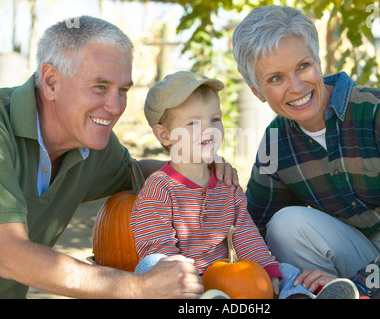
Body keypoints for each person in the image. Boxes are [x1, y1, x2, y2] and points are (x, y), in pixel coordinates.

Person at [0, 16, 237, 299]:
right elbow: (8, 254)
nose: (115, 107)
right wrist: (137, 288)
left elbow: (136, 174)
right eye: (100, 87)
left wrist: (201, 169)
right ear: (51, 82)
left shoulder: (93, 145)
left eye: (122, 90)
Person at [232, 5, 380, 299]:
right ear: (257, 90)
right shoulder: (276, 141)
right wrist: (211, 179)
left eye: (303, 67)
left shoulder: (379, 112)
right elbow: (252, 227)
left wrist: (357, 286)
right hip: (364, 248)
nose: (296, 87)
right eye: (275, 79)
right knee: (285, 225)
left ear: (319, 62)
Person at [130, 71, 362, 299]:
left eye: (215, 119)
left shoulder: (226, 183)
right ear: (164, 135)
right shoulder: (160, 188)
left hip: (228, 273)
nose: (208, 129)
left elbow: (244, 232)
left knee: (286, 270)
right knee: (150, 264)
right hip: (186, 281)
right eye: (193, 123)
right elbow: (157, 244)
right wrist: (185, 279)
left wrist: (266, 269)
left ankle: (299, 295)